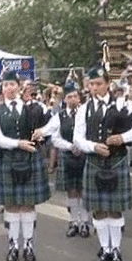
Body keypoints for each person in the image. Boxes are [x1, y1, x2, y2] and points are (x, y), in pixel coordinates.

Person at [74, 65, 132, 261]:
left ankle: (116, 250)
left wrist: (122, 138)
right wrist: (93, 146)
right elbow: (77, 138)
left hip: (117, 161)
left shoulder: (124, 104)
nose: (95, 88)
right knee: (98, 210)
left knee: (114, 210)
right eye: (91, 84)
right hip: (95, 161)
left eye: (98, 84)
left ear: (107, 84)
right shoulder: (84, 109)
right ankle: (105, 249)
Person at [0, 71, 50, 261]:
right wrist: (18, 143)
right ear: (2, 88)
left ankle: (28, 245)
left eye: (12, 84)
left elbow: (51, 124)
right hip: (7, 159)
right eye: (5, 85)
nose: (9, 88)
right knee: (12, 205)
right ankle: (13, 245)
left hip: (29, 159)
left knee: (28, 204)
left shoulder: (32, 107)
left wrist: (42, 134)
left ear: (18, 86)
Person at [51, 81, 89, 237]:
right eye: (69, 96)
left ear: (79, 98)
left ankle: (85, 222)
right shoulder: (59, 116)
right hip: (68, 155)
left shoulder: (86, 114)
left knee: (83, 189)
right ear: (65, 99)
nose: (73, 99)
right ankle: (74, 221)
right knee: (71, 191)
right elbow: (55, 138)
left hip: (85, 155)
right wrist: (70, 147)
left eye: (75, 96)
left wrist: (82, 146)